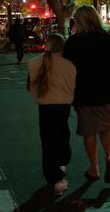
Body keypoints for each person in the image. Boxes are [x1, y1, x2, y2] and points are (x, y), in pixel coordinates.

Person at [63, 5, 110, 184]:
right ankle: (109, 157)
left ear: (78, 22)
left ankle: (94, 168)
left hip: (86, 92)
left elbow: (66, 68)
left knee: (89, 131)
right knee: (106, 127)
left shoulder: (73, 42)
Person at [27, 34, 77, 195]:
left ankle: (55, 178)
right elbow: (74, 86)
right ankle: (61, 165)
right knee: (63, 135)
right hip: (64, 106)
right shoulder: (69, 64)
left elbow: (30, 86)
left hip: (45, 107)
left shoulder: (34, 63)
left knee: (48, 142)